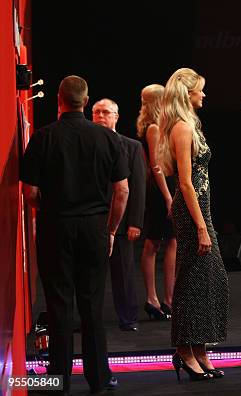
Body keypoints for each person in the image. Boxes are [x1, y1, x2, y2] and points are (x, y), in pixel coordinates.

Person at [20, 76, 128, 394]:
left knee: (59, 305)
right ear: (86, 100)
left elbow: (29, 193)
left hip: (56, 226)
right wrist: (110, 230)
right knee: (92, 304)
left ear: (59, 99)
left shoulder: (43, 138)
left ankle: (59, 381)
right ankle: (99, 378)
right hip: (94, 227)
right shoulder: (108, 139)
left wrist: (51, 206)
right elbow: (121, 191)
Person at [160, 68, 228, 380]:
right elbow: (185, 183)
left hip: (200, 209)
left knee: (208, 278)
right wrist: (201, 226)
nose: (204, 95)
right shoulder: (182, 128)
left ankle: (200, 349)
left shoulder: (189, 124)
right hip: (191, 212)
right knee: (192, 280)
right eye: (200, 90)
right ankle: (184, 351)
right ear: (188, 94)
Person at [93, 98, 146, 332]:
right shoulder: (86, 143)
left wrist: (135, 222)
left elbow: (138, 186)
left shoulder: (131, 146)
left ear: (116, 116)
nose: (101, 116)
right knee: (90, 272)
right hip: (92, 218)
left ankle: (129, 317)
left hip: (123, 221)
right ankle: (88, 318)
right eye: (96, 112)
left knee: (123, 273)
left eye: (106, 112)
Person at [136, 84, 177, 321]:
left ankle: (169, 299)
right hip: (159, 189)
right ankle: (152, 297)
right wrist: (168, 196)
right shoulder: (152, 128)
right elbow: (156, 165)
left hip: (169, 184)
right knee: (153, 243)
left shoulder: (164, 125)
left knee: (173, 240)